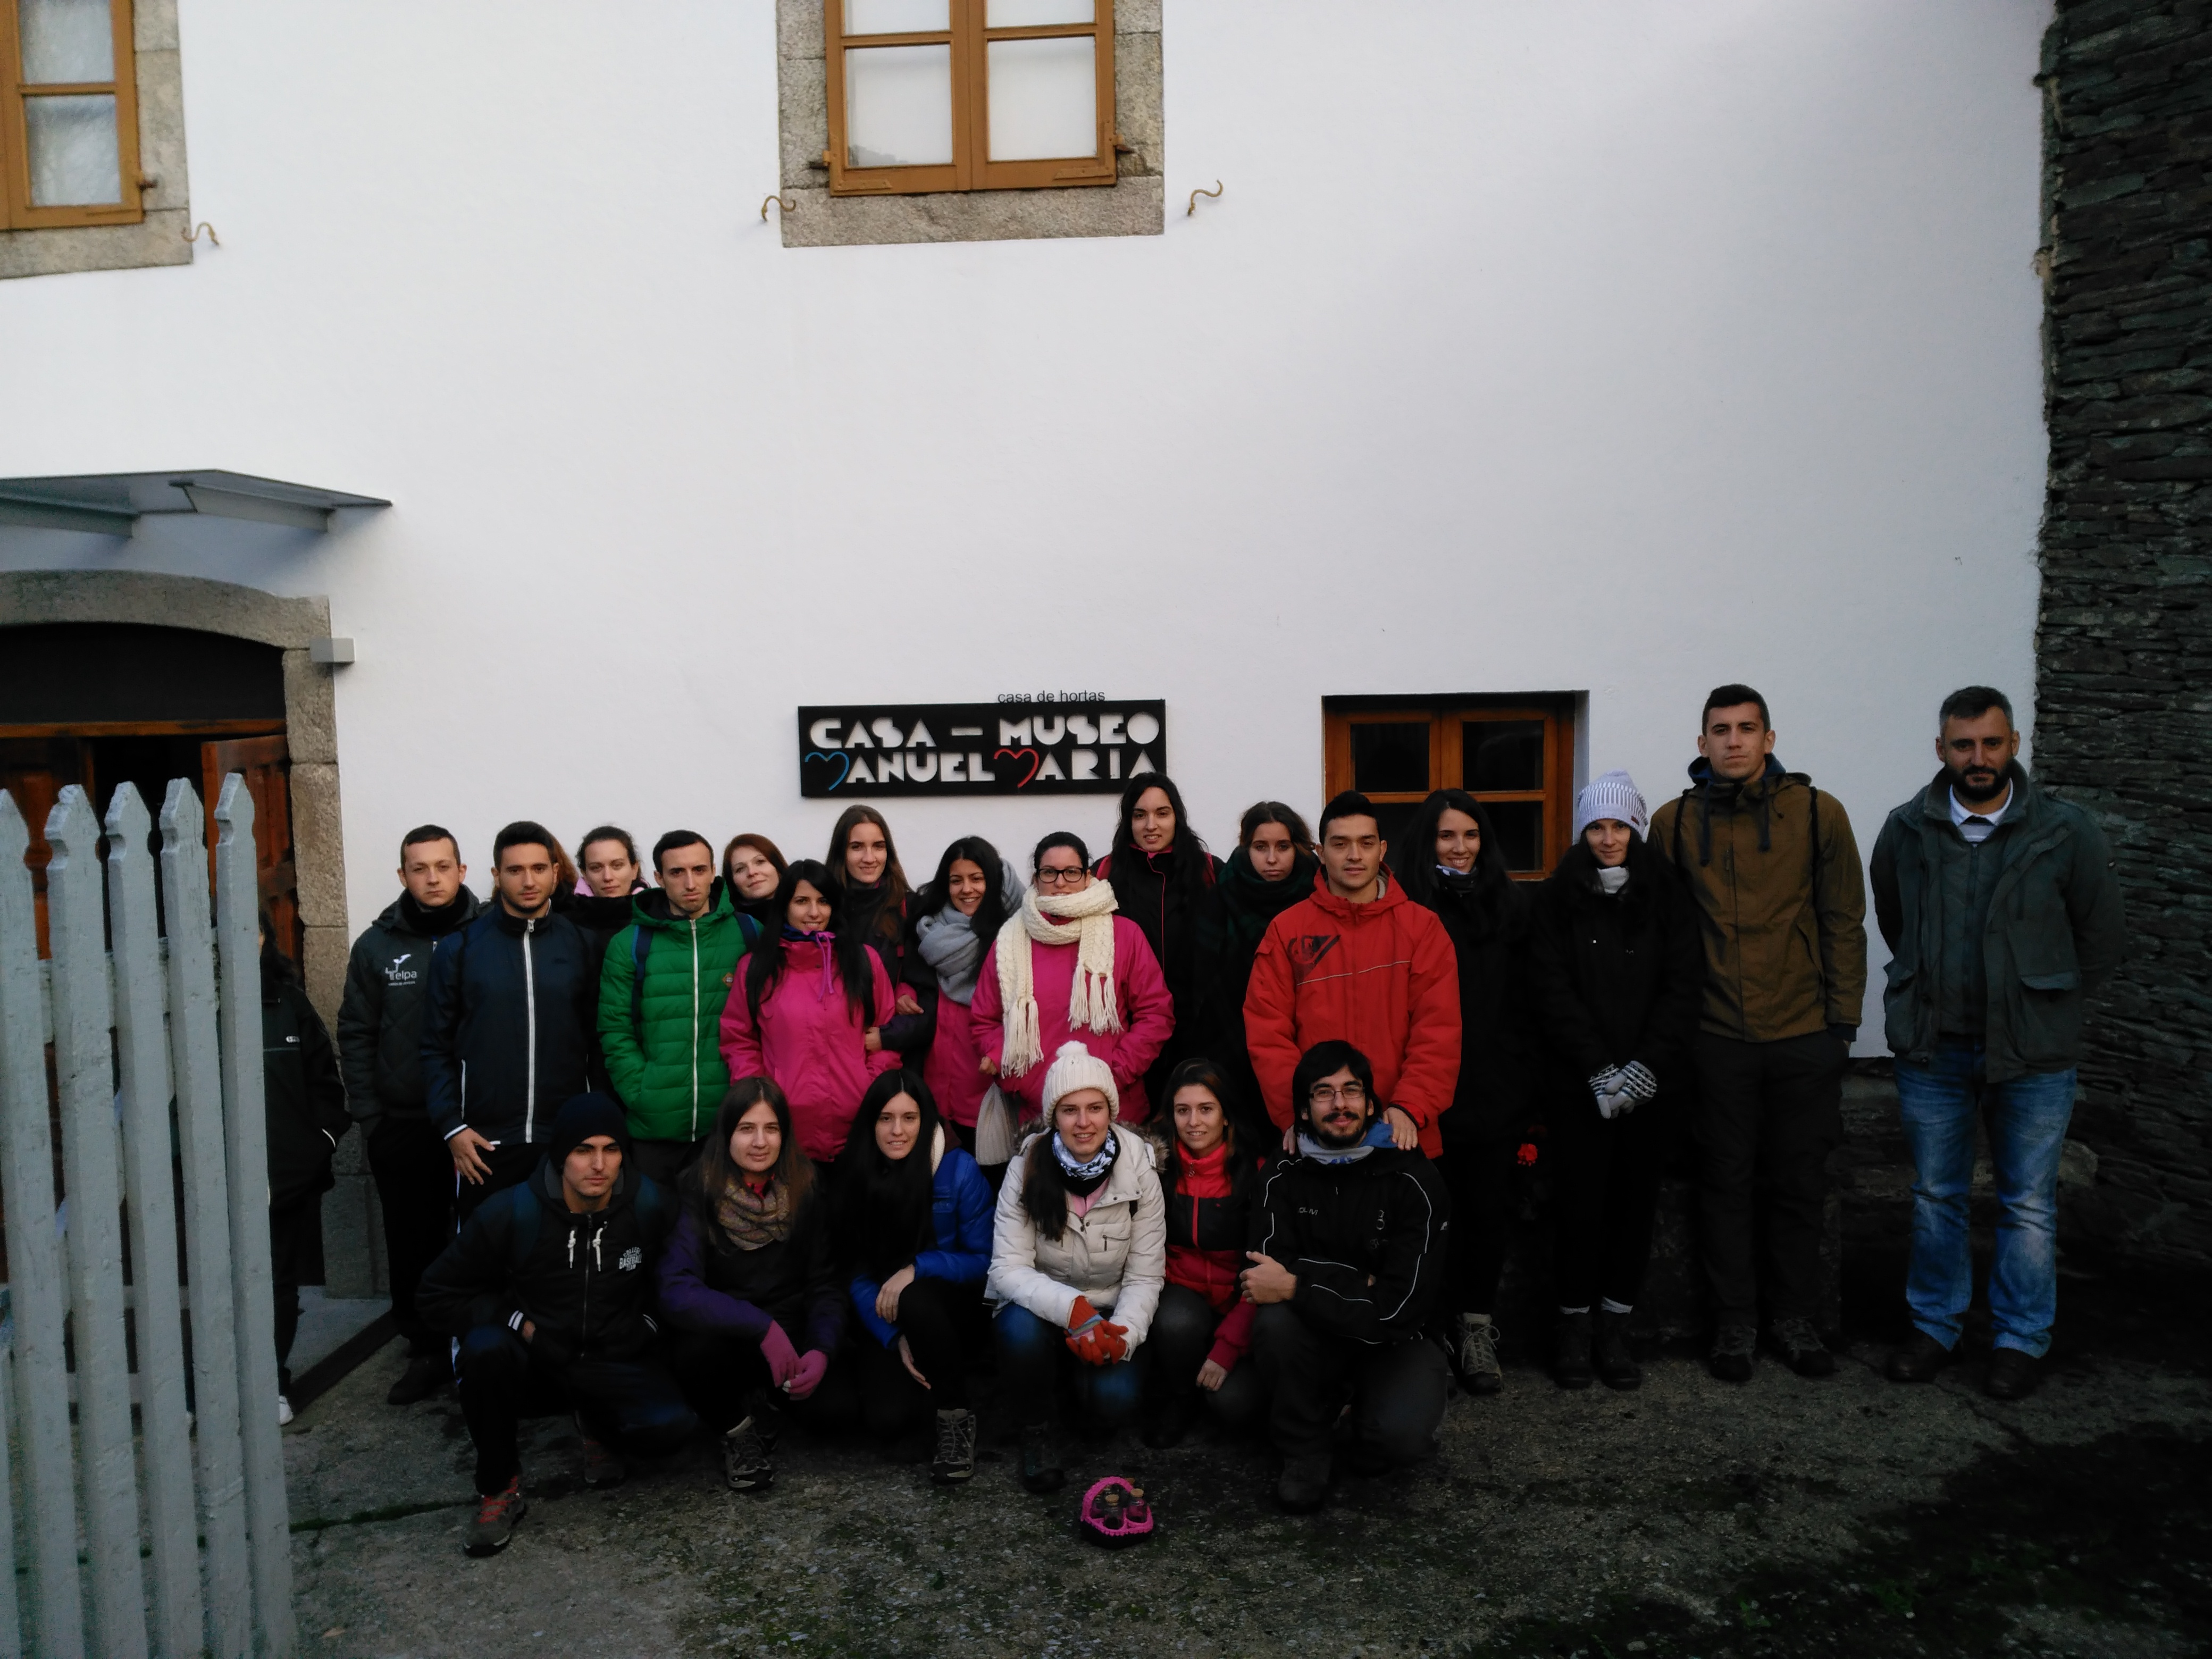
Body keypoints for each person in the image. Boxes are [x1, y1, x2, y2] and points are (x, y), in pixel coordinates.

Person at [1870, 686, 2124, 1401]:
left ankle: (2018, 1338)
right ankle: (1935, 1326)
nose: (1977, 759)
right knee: (1934, 1196)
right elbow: (1898, 920)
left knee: (2028, 1204)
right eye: (1962, 745)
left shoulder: (2067, 832)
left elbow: (2100, 940)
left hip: (2034, 1054)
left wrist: (2041, 1003)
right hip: (1935, 1049)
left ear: (2014, 744)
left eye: (1990, 744)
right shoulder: (1907, 832)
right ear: (1941, 750)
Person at [1648, 686, 1869, 1382]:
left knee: (1799, 1183)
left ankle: (1795, 1318)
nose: (1735, 741)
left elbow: (1843, 919)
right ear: (1701, 743)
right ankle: (1735, 1324)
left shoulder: (1817, 813)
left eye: (1748, 729)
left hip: (1804, 1031)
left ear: (1770, 739)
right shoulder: (1673, 823)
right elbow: (1664, 936)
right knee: (1724, 1184)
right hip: (1716, 1038)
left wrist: (1843, 1023)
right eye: (1721, 730)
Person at [416, 1093, 696, 1557]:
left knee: (672, 1429)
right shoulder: (511, 1212)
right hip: (534, 1359)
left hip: (608, 1356)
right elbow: (435, 1295)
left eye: (611, 1149)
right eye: (584, 1150)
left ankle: (596, 1427)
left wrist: (645, 1325)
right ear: (560, 1155)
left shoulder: (649, 1206)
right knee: (486, 1350)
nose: (599, 1165)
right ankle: (499, 1487)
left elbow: (678, 1280)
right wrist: (519, 1324)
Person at [1527, 773, 1702, 1390]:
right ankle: (1572, 1325)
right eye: (1595, 827)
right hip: (1579, 1086)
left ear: (1634, 828)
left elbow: (1683, 985)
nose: (1607, 839)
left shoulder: (1666, 893)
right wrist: (1597, 1068)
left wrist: (1643, 1067)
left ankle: (1614, 1326)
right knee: (1579, 1206)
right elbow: (1549, 988)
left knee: (1634, 1206)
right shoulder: (1554, 899)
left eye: (1618, 826)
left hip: (1651, 1086)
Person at [1246, 1041, 1451, 1513]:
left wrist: (1300, 1283)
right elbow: (1263, 1276)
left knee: (1397, 1441)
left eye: (1351, 1091)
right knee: (1272, 1327)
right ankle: (1304, 1450)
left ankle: (1358, 1418)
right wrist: (1363, 1283)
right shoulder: (1280, 1175)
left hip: (1393, 1341)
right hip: (1311, 1337)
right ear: (1302, 1111)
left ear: (1372, 1104)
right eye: (1324, 1093)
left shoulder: (1414, 1179)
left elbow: (1401, 1307)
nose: (1340, 1105)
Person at [1392, 789, 1535, 1396]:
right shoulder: (1405, 909)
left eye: (1469, 835)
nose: (1459, 847)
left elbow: (1528, 1005)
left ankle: (1475, 1328)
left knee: (1486, 1216)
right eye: (1446, 836)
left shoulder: (1510, 905)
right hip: (1425, 1095)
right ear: (1426, 842)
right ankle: (1424, 1334)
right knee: (1425, 1220)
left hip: (1494, 1092)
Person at [337, 824, 483, 1405]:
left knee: (480, 1235)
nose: (432, 877)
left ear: (462, 871)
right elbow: (355, 1031)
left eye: (442, 866)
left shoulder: (490, 934)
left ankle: (481, 1345)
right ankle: (425, 1350)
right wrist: (372, 1119)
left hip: (478, 1123)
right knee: (413, 1242)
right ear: (403, 876)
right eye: (419, 868)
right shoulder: (376, 947)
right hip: (405, 1123)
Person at [988, 1041, 1166, 1494]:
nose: (1083, 1122)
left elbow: (1146, 1274)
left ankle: (1079, 1394)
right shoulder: (1026, 1167)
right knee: (1016, 1332)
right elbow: (1007, 1268)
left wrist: (1121, 1337)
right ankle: (1037, 1430)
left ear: (1111, 1112)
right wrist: (1073, 1311)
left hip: (1108, 1313)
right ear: (1054, 1117)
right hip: (1044, 1309)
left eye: (1094, 1108)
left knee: (1112, 1404)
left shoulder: (1140, 1167)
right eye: (1069, 1110)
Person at [1243, 791, 1462, 1157]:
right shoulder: (1287, 931)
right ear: (1320, 852)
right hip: (1318, 1138)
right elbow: (1268, 1035)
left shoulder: (1422, 929)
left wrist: (1411, 1105)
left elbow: (1438, 1032)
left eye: (1366, 843)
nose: (1355, 855)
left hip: (1402, 1132)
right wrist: (1299, 1114)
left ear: (1383, 849)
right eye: (1341, 844)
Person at [657, 1079, 845, 1493]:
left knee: (834, 1413)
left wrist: (821, 1349)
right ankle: (737, 1430)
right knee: (692, 1354)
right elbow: (675, 1288)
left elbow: (825, 1283)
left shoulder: (806, 1185)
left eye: (771, 1129)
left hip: (790, 1330)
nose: (760, 1142)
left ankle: (772, 1405)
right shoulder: (697, 1187)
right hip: (728, 1330)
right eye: (746, 1129)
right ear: (727, 1134)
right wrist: (760, 1326)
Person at [422, 820, 602, 1225]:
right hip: (484, 1145)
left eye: (539, 869)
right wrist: (453, 1127)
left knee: (561, 1265)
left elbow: (599, 1043)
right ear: (496, 876)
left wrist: (594, 1131)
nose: (528, 881)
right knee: (487, 1267)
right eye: (515, 870)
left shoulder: (582, 945)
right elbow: (434, 1046)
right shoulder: (460, 948)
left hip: (564, 1139)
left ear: (556, 873)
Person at [834, 1072, 993, 1484]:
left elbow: (984, 1261)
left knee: (917, 1298)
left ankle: (956, 1417)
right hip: (887, 1312)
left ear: (927, 1122)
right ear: (872, 1122)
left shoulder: (958, 1169)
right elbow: (855, 1273)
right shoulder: (856, 1170)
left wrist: (917, 1268)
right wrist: (895, 1337)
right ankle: (926, 1395)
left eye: (910, 1118)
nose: (898, 1130)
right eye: (886, 1118)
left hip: (953, 1305)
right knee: (889, 1422)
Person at [599, 830, 768, 1190]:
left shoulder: (749, 932)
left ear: (712, 873)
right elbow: (615, 1029)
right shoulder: (630, 943)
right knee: (656, 1232)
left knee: (726, 1236)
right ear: (658, 878)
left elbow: (769, 1019)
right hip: (654, 1128)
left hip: (730, 1123)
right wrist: (642, 1092)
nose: (690, 883)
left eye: (699, 870)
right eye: (677, 873)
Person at [970, 832, 1176, 1124]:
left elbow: (1156, 1014)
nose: (1060, 882)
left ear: (1087, 876)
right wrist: (1020, 1079)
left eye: (1071, 872)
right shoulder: (1009, 941)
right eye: (1050, 873)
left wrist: (1111, 1074)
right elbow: (984, 1020)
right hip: (1038, 1110)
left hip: (1114, 1107)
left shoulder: (1125, 935)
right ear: (1035, 879)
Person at [717, 859, 901, 1168]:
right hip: (785, 1130)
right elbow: (738, 1039)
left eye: (823, 901)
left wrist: (867, 1087)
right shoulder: (757, 967)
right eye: (802, 901)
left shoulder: (864, 962)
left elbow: (887, 1031)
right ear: (785, 906)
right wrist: (762, 1098)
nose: (814, 913)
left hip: (857, 1125)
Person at [1142, 1058, 1268, 1449]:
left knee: (1233, 1406)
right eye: (1183, 1111)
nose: (1194, 1122)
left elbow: (1264, 1269)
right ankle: (1181, 1397)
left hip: (1241, 1304)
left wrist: (1229, 1345)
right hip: (1184, 1295)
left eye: (1206, 1109)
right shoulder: (1157, 1168)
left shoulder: (1258, 1172)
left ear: (1226, 1116)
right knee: (1175, 1321)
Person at [261, 916, 350, 1425]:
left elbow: (326, 1084)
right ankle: (199, 1389)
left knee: (277, 1282)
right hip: (208, 1183)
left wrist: (318, 1145)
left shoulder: (288, 1003)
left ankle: (271, 1382)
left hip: (284, 1179)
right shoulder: (176, 1008)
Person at [1194, 802, 1318, 1148]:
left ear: (1298, 847)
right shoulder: (1222, 895)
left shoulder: (1320, 895)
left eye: (1283, 847)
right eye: (1260, 847)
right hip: (1231, 1044)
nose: (1272, 859)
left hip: (1306, 1041)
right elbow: (1201, 983)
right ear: (1245, 847)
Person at [1096, 775, 1223, 1108]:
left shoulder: (1210, 870)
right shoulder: (1104, 874)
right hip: (1130, 1033)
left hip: (1200, 1029)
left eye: (1162, 813)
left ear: (1177, 817)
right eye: (1140, 815)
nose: (1151, 825)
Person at [910, 836, 1024, 1164]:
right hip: (934, 1090)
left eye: (977, 879)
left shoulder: (1016, 936)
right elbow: (908, 976)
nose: (967, 890)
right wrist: (906, 989)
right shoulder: (929, 932)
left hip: (991, 1092)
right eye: (956, 880)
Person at [826, 805, 930, 1058]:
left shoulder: (910, 908)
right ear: (841, 853)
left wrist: (888, 1036)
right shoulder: (823, 910)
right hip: (835, 1054)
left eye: (879, 846)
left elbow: (930, 997)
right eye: (857, 847)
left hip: (894, 1057)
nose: (870, 858)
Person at [723, 833, 788, 931]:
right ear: (732, 882)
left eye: (760, 862)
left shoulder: (809, 914)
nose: (752, 872)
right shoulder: (729, 929)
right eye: (740, 869)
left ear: (777, 867)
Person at [575, 826, 647, 898]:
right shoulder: (570, 909)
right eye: (596, 868)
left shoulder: (654, 908)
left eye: (617, 865)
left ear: (634, 870)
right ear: (585, 874)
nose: (608, 877)